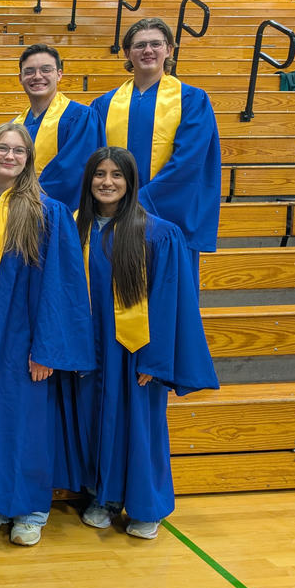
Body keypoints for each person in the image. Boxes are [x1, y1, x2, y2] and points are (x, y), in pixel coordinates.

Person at [0, 122, 94, 547]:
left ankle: (31, 507)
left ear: (29, 158)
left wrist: (47, 349)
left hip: (21, 334)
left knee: (26, 419)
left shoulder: (46, 211)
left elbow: (61, 286)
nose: (9, 156)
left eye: (18, 150)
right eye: (2, 148)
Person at [75, 147, 219, 540]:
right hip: (89, 351)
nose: (107, 182)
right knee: (94, 423)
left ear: (131, 182)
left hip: (135, 352)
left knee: (140, 427)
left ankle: (146, 506)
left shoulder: (157, 233)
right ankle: (102, 496)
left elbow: (170, 302)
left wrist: (155, 362)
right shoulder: (75, 229)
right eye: (100, 174)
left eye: (117, 175)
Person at [90, 17, 221, 277]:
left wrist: (139, 202)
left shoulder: (192, 100)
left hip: (167, 216)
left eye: (155, 44)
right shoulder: (103, 105)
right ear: (127, 53)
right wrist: (113, 203)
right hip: (112, 216)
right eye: (139, 45)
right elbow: (94, 161)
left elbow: (189, 162)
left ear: (169, 50)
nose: (148, 51)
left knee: (165, 291)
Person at [13, 44, 104, 210]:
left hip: (62, 213)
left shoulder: (80, 117)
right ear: (20, 78)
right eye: (29, 71)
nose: (37, 76)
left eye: (46, 70)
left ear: (59, 74)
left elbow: (72, 172)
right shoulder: (16, 125)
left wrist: (26, 200)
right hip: (17, 211)